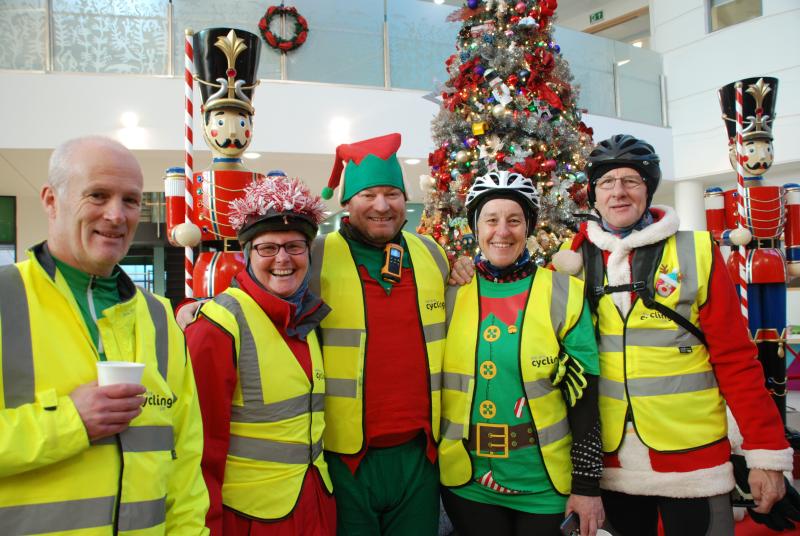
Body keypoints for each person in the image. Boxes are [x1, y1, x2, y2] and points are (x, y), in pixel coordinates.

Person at [552, 134, 793, 535]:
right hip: (609, 464)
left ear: (649, 186)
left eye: (630, 180)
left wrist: (765, 454)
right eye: (606, 183)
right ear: (593, 194)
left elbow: (735, 358)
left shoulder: (697, 250)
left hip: (693, 461)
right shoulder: (571, 258)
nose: (618, 192)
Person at [0, 136, 209, 534]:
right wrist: (69, 421)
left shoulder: (160, 317)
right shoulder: (5, 300)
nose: (116, 215)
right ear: (50, 201)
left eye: (131, 201)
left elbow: (184, 463)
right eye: (97, 195)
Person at [438, 170, 604, 536]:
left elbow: (587, 400)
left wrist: (587, 486)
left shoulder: (563, 292)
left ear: (528, 227)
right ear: (475, 228)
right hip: (468, 482)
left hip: (545, 484)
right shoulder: (451, 292)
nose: (502, 231)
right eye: (491, 220)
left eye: (514, 220)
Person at [310, 132, 450, 535]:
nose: (382, 206)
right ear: (348, 203)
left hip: (420, 455)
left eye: (392, 193)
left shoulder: (432, 254)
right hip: (345, 456)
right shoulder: (316, 255)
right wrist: (200, 308)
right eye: (369, 195)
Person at [185, 173, 335, 535]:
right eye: (268, 248)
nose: (282, 259)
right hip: (252, 521)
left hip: (316, 507)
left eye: (295, 247)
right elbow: (197, 450)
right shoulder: (218, 327)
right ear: (248, 256)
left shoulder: (308, 317)